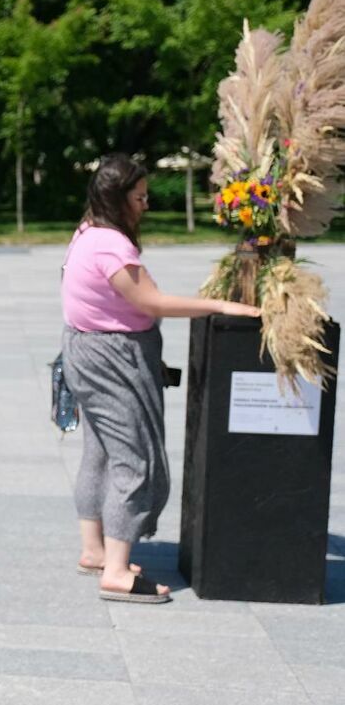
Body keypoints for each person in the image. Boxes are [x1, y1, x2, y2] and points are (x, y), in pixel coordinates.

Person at [60, 153, 260, 603]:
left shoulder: (88, 231)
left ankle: (95, 551)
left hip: (86, 350)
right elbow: (151, 302)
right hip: (113, 359)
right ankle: (115, 571)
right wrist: (221, 306)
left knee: (100, 453)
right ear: (118, 197)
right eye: (140, 196)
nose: (146, 205)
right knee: (135, 460)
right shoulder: (111, 243)